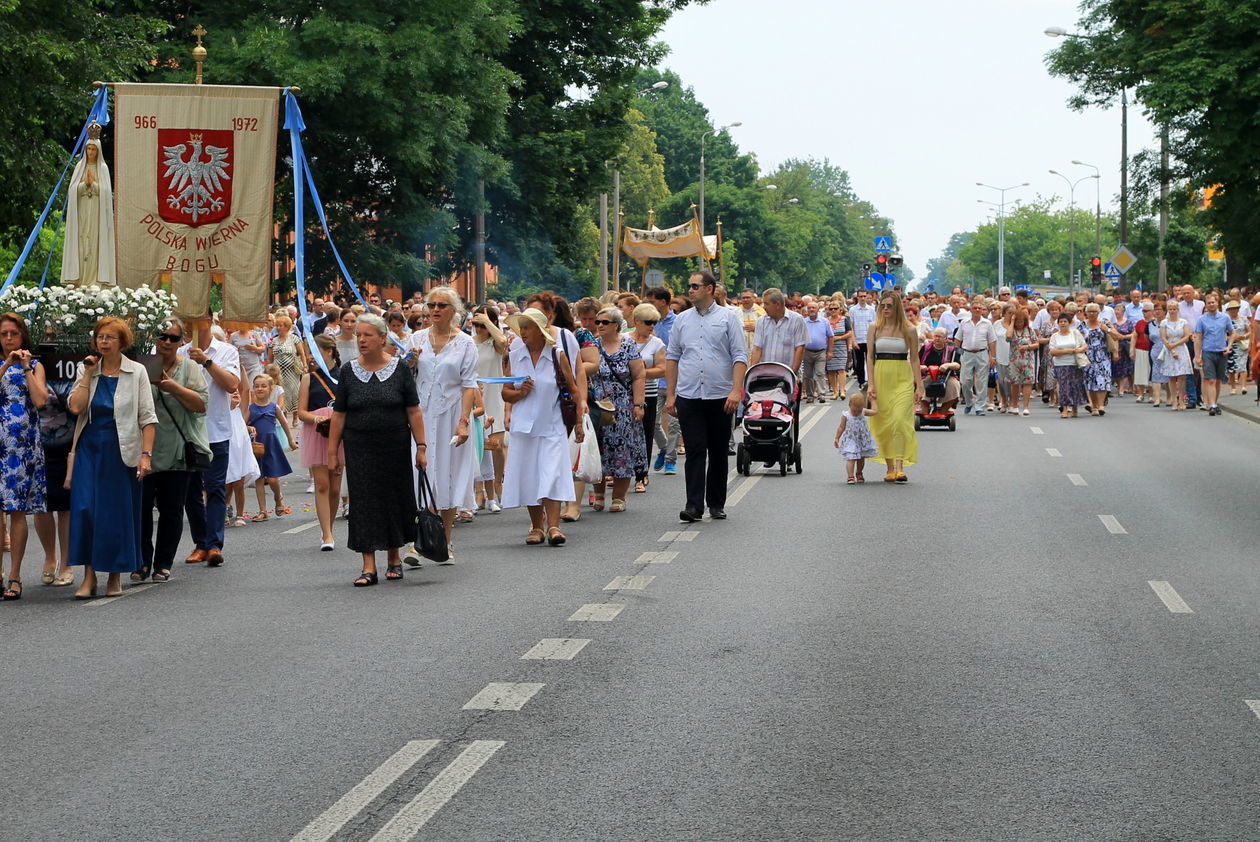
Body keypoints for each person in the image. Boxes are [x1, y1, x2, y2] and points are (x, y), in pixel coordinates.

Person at [326, 314, 427, 586]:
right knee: (364, 501)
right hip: (359, 447)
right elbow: (339, 414)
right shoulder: (348, 371)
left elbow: (413, 410)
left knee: (393, 498)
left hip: (394, 444)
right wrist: (333, 452)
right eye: (358, 335)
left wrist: (421, 446)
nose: (361, 340)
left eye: (367, 335)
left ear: (383, 338)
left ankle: (394, 557)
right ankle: (368, 565)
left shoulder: (400, 369)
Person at [67, 317, 157, 599]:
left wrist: (146, 455)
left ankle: (114, 576)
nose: (103, 342)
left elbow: (148, 417)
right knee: (85, 511)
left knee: (115, 514)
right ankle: (89, 576)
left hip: (122, 451)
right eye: (100, 337)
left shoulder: (137, 371)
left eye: (110, 337)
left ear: (122, 342)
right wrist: (86, 375)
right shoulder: (88, 369)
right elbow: (75, 407)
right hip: (89, 449)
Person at [665, 271, 747, 522]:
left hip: (720, 395)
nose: (689, 290)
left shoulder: (728, 318)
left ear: (709, 289)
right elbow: (673, 357)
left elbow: (739, 356)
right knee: (695, 450)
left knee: (719, 451)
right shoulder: (682, 320)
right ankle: (693, 506)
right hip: (689, 394)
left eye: (695, 286)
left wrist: (736, 390)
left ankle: (716, 502)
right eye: (688, 286)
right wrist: (671, 394)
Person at [501, 308, 584, 546]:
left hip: (552, 424)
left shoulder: (557, 355)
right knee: (530, 476)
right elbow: (505, 393)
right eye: (521, 328)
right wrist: (519, 392)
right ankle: (537, 527)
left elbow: (574, 389)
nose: (522, 332)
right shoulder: (515, 356)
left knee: (552, 474)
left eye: (527, 328)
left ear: (539, 330)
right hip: (524, 427)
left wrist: (579, 422)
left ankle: (554, 527)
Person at [408, 289, 478, 560]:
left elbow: (469, 385)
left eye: (441, 305)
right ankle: (419, 540)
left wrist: (463, 423)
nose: (435, 309)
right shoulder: (416, 338)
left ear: (453, 310)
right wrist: (410, 361)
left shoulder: (465, 343)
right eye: (431, 304)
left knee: (449, 476)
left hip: (451, 414)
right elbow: (406, 376)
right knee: (421, 474)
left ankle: (445, 539)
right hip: (422, 414)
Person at [141, 317, 208, 583]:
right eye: (162, 336)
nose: (166, 342)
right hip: (145, 449)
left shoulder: (189, 368)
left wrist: (173, 387)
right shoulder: (140, 366)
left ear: (181, 342)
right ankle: (142, 562)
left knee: (171, 510)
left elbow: (201, 404)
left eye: (173, 338)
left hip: (178, 449)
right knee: (142, 509)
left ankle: (163, 563)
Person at [183, 320, 241, 567]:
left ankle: (215, 544)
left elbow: (231, 384)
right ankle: (201, 543)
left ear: (207, 321)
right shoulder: (179, 350)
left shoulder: (227, 350)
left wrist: (206, 361)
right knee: (191, 491)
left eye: (193, 319)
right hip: (187, 430)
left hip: (216, 429)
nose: (188, 325)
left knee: (216, 487)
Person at [0, 313, 48, 600]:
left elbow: (41, 400)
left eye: (13, 334)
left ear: (23, 337)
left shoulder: (36, 366)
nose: (8, 339)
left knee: (17, 511)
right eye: (4, 334)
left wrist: (26, 367)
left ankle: (15, 575)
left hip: (22, 447)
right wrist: (7, 364)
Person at [583, 307, 646, 513]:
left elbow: (638, 375)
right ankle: (599, 494)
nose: (599, 325)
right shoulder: (591, 345)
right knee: (597, 449)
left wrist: (638, 404)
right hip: (596, 405)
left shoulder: (628, 345)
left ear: (617, 325)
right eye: (598, 322)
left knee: (622, 450)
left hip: (622, 407)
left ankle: (619, 497)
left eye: (605, 322)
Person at [866, 292, 923, 483]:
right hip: (881, 377)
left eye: (889, 305)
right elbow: (870, 357)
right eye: (883, 306)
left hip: (902, 377)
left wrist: (919, 385)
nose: (886, 309)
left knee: (900, 420)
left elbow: (914, 358)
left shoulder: (909, 330)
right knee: (884, 423)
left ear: (897, 307)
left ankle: (900, 466)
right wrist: (871, 384)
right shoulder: (875, 327)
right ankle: (890, 468)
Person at [296, 335, 343, 551]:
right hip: (317, 431)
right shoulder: (308, 378)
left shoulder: (343, 376)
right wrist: (316, 418)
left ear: (329, 351)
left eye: (314, 351)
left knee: (335, 488)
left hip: (339, 431)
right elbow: (301, 411)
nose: (310, 357)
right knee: (322, 484)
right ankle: (326, 534)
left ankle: (330, 526)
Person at [61, 130, 115, 287]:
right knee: (81, 241)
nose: (90, 152)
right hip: (82, 210)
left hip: (97, 213)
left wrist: (94, 184)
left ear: (98, 151)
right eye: (88, 149)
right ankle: (79, 280)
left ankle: (94, 281)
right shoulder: (80, 166)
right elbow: (72, 190)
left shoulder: (103, 168)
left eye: (93, 149)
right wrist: (85, 184)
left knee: (94, 243)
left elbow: (106, 194)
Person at [471, 305, 509, 513]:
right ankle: (479, 491)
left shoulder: (495, 343)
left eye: (482, 325)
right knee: (478, 444)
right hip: (475, 395)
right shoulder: (468, 343)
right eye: (476, 324)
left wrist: (488, 322)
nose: (479, 329)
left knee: (497, 444)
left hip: (494, 394)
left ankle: (497, 482)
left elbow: (503, 342)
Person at [245, 373, 294, 521]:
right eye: (257, 386)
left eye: (263, 386)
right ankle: (263, 511)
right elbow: (242, 424)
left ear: (271, 389)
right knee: (259, 479)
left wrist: (291, 440)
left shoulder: (274, 407)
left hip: (271, 445)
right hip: (256, 445)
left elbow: (285, 423)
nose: (260, 389)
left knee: (272, 479)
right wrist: (249, 428)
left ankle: (278, 497)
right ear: (253, 389)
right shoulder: (250, 408)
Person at [630, 304, 665, 495]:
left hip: (649, 393)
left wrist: (641, 372)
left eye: (654, 322)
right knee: (625, 434)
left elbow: (662, 369)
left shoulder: (656, 343)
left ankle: (641, 473)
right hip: (626, 393)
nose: (652, 326)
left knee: (645, 432)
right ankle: (621, 471)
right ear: (636, 322)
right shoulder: (625, 340)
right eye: (648, 322)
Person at [646, 287, 680, 477]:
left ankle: (670, 460)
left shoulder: (678, 322)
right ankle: (664, 448)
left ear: (663, 302)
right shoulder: (647, 323)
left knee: (674, 423)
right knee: (653, 422)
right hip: (653, 381)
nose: (649, 305)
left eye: (652, 301)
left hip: (674, 380)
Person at [1193, 292, 1235, 415]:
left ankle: (1215, 403)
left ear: (1217, 303)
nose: (1211, 305)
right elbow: (1198, 338)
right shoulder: (1202, 319)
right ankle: (1212, 405)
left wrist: (1229, 346)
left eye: (1213, 302)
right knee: (1210, 379)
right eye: (1208, 303)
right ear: (1205, 305)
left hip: (1222, 352)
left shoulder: (1225, 317)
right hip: (1208, 352)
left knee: (1218, 380)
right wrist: (1197, 355)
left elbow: (1232, 333)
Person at [956, 298, 995, 415]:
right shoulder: (964, 323)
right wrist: (957, 354)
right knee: (965, 380)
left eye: (980, 308)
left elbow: (992, 341)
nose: (977, 310)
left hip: (982, 353)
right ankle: (969, 402)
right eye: (975, 308)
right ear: (971, 310)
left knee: (982, 381)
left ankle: (980, 406)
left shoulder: (987, 323)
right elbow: (958, 339)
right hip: (967, 353)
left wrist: (993, 357)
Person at [833, 391, 878, 484]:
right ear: (849, 405)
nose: (857, 412)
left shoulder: (864, 412)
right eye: (854, 410)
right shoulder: (846, 415)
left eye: (859, 410)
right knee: (851, 458)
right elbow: (841, 427)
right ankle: (850, 476)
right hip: (851, 440)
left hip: (862, 440)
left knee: (861, 458)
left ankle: (859, 473)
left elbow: (875, 412)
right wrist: (837, 438)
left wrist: (873, 401)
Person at [1048, 313, 1088, 418]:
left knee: (1075, 386)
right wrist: (1068, 351)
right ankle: (1064, 408)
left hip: (1074, 363)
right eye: (1060, 322)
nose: (1063, 323)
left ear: (1069, 323)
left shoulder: (1075, 333)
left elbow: (1084, 345)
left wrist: (1079, 350)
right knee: (1063, 387)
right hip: (1061, 364)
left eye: (1065, 321)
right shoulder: (1055, 336)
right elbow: (1052, 351)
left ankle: (1075, 408)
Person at [269, 314, 305, 428]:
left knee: (294, 392)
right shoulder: (274, 340)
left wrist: (304, 364)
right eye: (277, 325)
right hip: (278, 371)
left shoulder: (294, 338)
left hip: (292, 371)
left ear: (287, 326)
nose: (278, 328)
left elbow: (301, 353)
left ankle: (295, 417)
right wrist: (269, 370)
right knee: (281, 392)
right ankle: (283, 417)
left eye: (281, 325)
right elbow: (270, 357)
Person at [1080, 304, 1113, 416]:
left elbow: (1117, 336)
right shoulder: (1082, 325)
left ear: (1098, 313)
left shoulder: (1105, 322)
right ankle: (1094, 406)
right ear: (1086, 313)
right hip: (1087, 356)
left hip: (1103, 355)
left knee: (1102, 379)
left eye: (1094, 311)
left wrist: (1107, 330)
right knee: (1090, 381)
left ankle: (1101, 405)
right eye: (1090, 312)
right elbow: (1077, 339)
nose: (1092, 314)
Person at [1159, 303, 1193, 410]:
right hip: (1169, 349)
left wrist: (1176, 344)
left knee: (1182, 376)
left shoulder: (1183, 322)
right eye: (1170, 309)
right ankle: (1174, 400)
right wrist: (1171, 347)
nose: (1172, 311)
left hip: (1181, 349)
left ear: (1178, 310)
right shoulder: (1164, 322)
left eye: (1174, 309)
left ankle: (1182, 400)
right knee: (1172, 377)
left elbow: (1187, 336)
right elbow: (1163, 337)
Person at [800, 301, 834, 402]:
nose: (811, 310)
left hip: (821, 352)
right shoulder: (803, 322)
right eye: (809, 308)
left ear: (818, 309)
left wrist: (830, 351)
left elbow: (831, 337)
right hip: (807, 352)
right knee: (808, 375)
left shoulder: (824, 322)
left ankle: (821, 394)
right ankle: (810, 395)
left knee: (820, 373)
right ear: (807, 310)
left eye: (813, 308)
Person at [1007, 308, 1038, 415]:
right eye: (1017, 322)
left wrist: (1028, 347)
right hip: (1014, 361)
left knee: (1028, 382)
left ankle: (1025, 407)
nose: (1019, 324)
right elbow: (1008, 336)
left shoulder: (1029, 330)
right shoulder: (1012, 330)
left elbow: (1036, 343)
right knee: (1015, 383)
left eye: (1021, 322)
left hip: (1028, 361)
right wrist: (1011, 322)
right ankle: (1014, 405)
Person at [848, 290, 876, 391]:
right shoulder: (853, 310)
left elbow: (875, 325)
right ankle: (861, 381)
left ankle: (871, 380)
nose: (863, 298)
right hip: (858, 339)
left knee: (871, 361)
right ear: (858, 298)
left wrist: (874, 339)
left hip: (869, 339)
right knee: (859, 362)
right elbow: (851, 327)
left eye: (864, 296)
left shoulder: (872, 310)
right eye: (861, 296)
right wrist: (853, 341)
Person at [826, 302, 852, 401]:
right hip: (830, 347)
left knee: (841, 369)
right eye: (831, 309)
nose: (833, 310)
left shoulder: (845, 319)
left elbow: (850, 332)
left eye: (835, 308)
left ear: (839, 309)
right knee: (831, 370)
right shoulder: (826, 321)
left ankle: (842, 391)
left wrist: (840, 337)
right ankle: (835, 391)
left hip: (841, 347)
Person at [1111, 303, 1135, 396]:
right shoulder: (1112, 322)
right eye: (1115, 310)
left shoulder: (1128, 322)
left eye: (1118, 310)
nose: (1116, 312)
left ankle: (1121, 388)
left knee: (1125, 368)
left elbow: (1133, 334)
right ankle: (1118, 385)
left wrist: (1123, 336)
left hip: (1125, 347)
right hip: (1115, 347)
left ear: (1123, 312)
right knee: (1116, 368)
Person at [1132, 301, 1154, 403]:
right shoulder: (1140, 323)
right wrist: (1132, 349)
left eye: (1146, 311)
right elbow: (1135, 335)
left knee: (1151, 372)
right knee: (1140, 372)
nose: (1144, 312)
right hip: (1140, 349)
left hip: (1151, 349)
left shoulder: (1155, 323)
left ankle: (1151, 395)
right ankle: (1140, 394)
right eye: (1143, 311)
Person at [1226, 299, 1249, 395]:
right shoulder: (1226, 320)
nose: (1233, 310)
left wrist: (1243, 336)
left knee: (1243, 365)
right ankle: (1233, 387)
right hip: (1230, 345)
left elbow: (1250, 331)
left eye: (1235, 308)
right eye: (1231, 309)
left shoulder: (1244, 319)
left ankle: (1243, 386)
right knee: (1231, 367)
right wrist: (1229, 338)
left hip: (1242, 345)